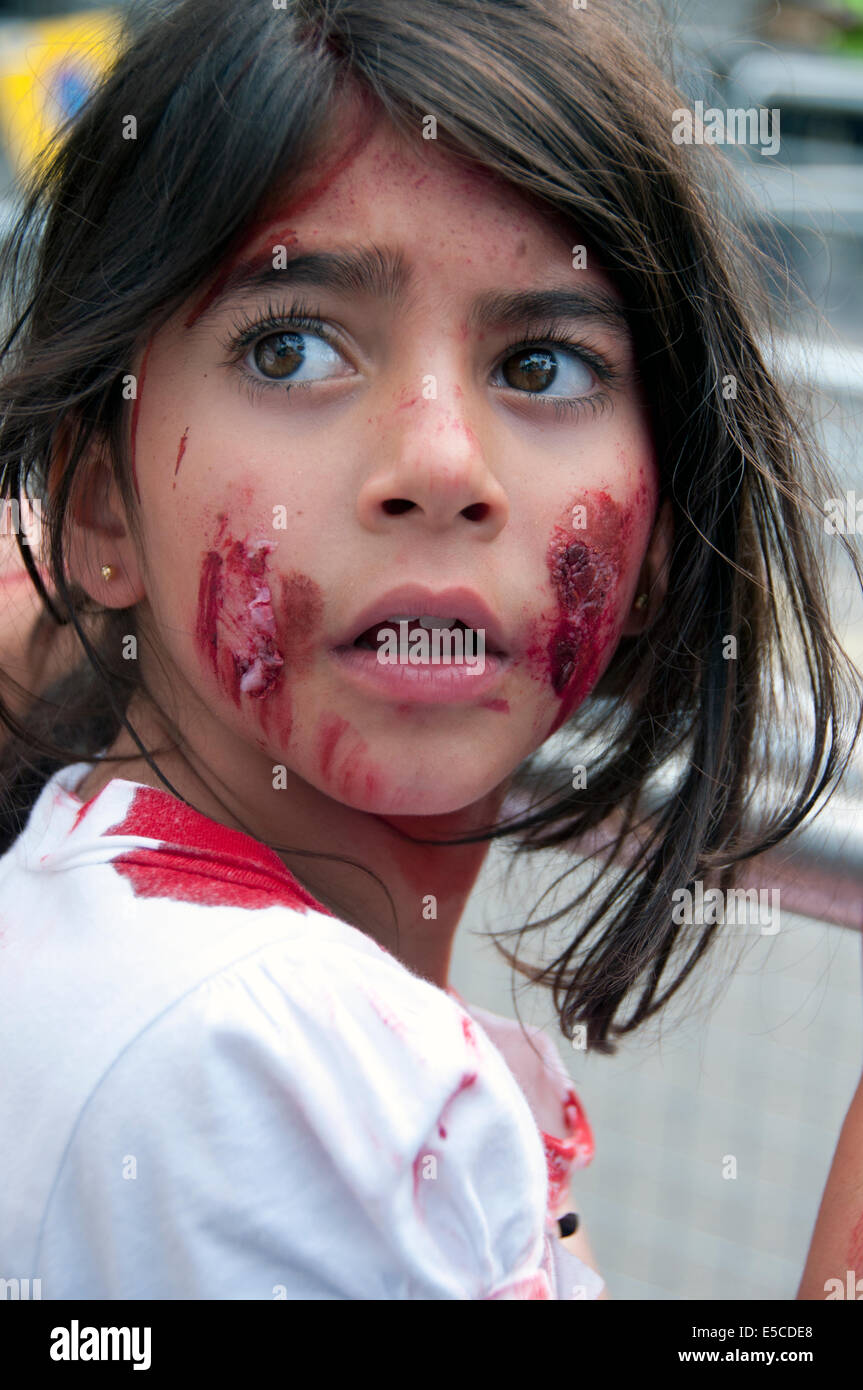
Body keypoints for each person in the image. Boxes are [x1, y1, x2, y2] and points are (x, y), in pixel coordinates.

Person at [0, 0, 857, 1300]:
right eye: (291, 349)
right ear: (97, 504)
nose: (442, 464)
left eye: (546, 365)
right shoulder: (270, 1062)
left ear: (663, 534)